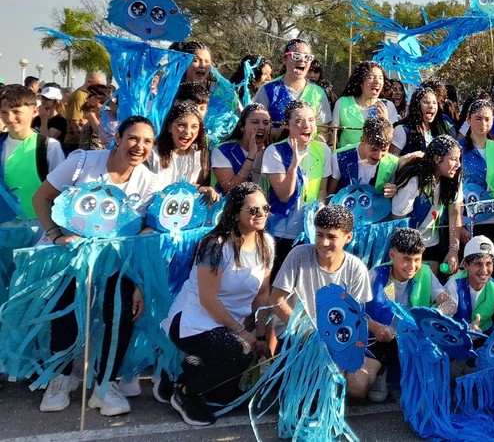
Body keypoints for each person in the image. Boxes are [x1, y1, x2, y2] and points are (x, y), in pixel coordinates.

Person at [32, 116, 158, 416]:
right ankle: (60, 378)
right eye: (133, 138)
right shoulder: (82, 162)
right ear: (118, 137)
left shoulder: (151, 182)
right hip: (69, 255)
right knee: (65, 317)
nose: (139, 146)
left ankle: (105, 384)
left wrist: (138, 279)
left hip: (116, 261)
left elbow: (146, 231)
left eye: (147, 141)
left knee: (121, 313)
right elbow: (41, 198)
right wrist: (56, 235)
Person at [162, 183, 273, 425]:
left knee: (225, 396)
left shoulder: (268, 244)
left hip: (230, 324)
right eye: (253, 210)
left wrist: (261, 335)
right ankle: (185, 394)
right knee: (239, 351)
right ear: (234, 213)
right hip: (193, 321)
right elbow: (208, 299)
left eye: (265, 208)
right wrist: (244, 334)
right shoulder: (215, 245)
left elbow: (262, 295)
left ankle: (190, 370)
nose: (262, 214)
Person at [269, 205, 384, 401]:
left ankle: (373, 365)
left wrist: (334, 340)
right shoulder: (298, 255)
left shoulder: (356, 268)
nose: (323, 242)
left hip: (338, 338)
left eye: (331, 237)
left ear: (348, 237)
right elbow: (276, 301)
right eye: (319, 235)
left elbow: (354, 316)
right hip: (297, 337)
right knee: (307, 391)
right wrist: (308, 330)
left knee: (355, 389)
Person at [367, 228, 454, 401]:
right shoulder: (375, 274)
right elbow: (355, 310)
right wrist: (375, 327)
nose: (412, 266)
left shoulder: (425, 273)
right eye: (406, 259)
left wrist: (431, 315)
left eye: (417, 260)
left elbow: (449, 303)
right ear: (392, 255)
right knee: (373, 396)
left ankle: (413, 377)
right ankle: (381, 370)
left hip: (413, 336)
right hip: (380, 338)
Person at [261, 100, 333, 272]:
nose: (306, 125)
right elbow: (284, 195)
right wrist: (293, 166)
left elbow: (322, 190)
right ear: (287, 125)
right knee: (277, 282)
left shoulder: (323, 150)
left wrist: (319, 217)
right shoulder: (274, 151)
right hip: (281, 232)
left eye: (311, 120)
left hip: (311, 231)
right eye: (299, 121)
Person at [391, 135, 464, 275]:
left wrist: (453, 249)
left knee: (428, 285)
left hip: (432, 243)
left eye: (459, 159)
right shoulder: (414, 181)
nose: (458, 164)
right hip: (407, 245)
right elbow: (398, 221)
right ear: (437, 159)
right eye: (454, 159)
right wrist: (410, 253)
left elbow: (455, 213)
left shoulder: (454, 178)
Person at [0, 85, 66, 224]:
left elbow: (61, 188)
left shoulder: (48, 146)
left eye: (17, 111)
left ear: (35, 111)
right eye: (4, 112)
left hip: (39, 225)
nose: (10, 118)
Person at [253, 39, 332, 136]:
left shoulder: (318, 92)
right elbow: (254, 124)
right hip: (275, 149)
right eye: (296, 56)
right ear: (284, 60)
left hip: (308, 149)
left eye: (307, 57)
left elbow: (323, 130)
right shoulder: (268, 89)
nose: (302, 60)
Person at [444, 235, 494, 332]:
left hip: (485, 337)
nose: (484, 270)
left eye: (488, 264)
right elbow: (442, 322)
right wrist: (466, 331)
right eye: (478, 264)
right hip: (454, 338)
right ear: (466, 265)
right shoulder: (454, 284)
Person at [460, 100, 494, 243]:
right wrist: (459, 225)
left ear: (493, 121)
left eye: (487, 119)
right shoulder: (458, 149)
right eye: (478, 119)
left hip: (492, 219)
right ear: (469, 119)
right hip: (466, 220)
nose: (483, 124)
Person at [151, 104, 215, 198]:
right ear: (169, 127)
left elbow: (187, 186)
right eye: (181, 125)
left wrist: (199, 189)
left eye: (194, 127)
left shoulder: (196, 155)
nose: (187, 132)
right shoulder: (153, 154)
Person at [332, 61, 398, 148]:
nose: (377, 81)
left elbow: (394, 140)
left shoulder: (387, 106)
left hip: (375, 158)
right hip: (348, 157)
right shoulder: (343, 103)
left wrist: (385, 121)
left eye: (381, 78)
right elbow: (333, 134)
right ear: (360, 81)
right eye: (371, 77)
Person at [328, 116, 398, 199]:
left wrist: (394, 190)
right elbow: (330, 195)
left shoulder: (392, 163)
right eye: (374, 149)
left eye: (384, 150)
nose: (379, 156)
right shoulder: (340, 157)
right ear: (363, 140)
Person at [212, 103, 271, 194]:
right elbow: (230, 190)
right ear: (242, 127)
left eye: (266, 123)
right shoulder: (222, 151)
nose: (262, 127)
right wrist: (251, 156)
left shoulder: (272, 152)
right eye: (255, 122)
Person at [391, 86, 453, 156]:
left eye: (434, 103)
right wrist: (409, 159)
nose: (431, 106)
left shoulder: (436, 132)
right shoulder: (403, 130)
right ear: (416, 106)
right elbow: (391, 162)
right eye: (426, 102)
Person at [63, 71, 106, 153]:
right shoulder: (79, 96)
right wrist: (82, 146)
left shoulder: (85, 95)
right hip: (75, 144)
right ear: (89, 82)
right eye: (98, 85)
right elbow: (75, 123)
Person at [79, 84, 114, 150]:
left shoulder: (106, 112)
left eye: (89, 96)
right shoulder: (97, 112)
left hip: (97, 153)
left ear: (98, 97)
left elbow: (100, 131)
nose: (87, 98)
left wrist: (91, 116)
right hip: (88, 153)